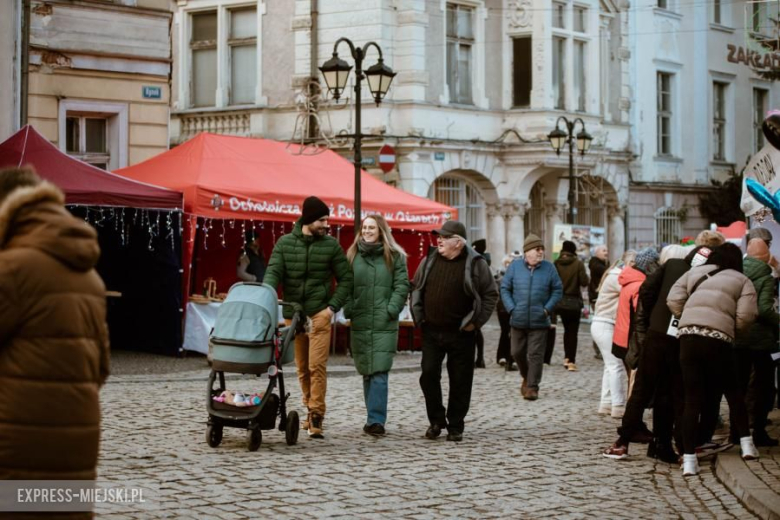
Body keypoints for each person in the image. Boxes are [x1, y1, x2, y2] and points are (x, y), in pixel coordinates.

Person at [0, 167, 110, 483]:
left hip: (15, 442)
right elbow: (101, 369)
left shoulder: (11, 269)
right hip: (77, 440)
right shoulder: (90, 277)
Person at [263, 195, 353, 439]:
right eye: (322, 220)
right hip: (294, 316)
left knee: (317, 366)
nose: (327, 224)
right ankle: (307, 407)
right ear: (310, 219)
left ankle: (316, 415)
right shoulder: (284, 244)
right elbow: (273, 273)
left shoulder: (331, 246)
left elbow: (347, 279)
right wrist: (266, 296)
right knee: (302, 368)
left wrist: (331, 308)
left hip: (319, 314)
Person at [667, 242, 759, 476]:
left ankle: (689, 461)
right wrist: (729, 328)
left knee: (692, 399)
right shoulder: (742, 280)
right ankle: (748, 446)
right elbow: (747, 316)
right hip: (718, 339)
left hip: (688, 338)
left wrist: (688, 317)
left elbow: (673, 299)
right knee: (733, 392)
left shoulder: (694, 273)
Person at [602, 245, 693, 463]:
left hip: (656, 338)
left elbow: (645, 303)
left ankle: (657, 444)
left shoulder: (661, 278)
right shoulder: (673, 276)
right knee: (658, 392)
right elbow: (643, 311)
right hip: (663, 339)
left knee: (662, 394)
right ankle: (631, 440)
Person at [411, 220, 498, 442]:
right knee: (428, 375)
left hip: (461, 332)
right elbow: (416, 287)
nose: (439, 240)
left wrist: (475, 323)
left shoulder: (476, 263)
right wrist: (419, 316)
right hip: (431, 330)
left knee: (460, 379)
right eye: (438, 236)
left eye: (444, 237)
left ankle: (456, 425)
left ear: (458, 243)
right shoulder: (429, 260)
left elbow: (490, 294)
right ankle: (436, 420)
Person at [344, 215, 410, 437]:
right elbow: (345, 284)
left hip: (384, 320)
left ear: (381, 230)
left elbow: (402, 286)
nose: (367, 231)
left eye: (372, 227)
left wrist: (391, 309)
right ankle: (372, 417)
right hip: (361, 319)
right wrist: (349, 307)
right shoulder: (353, 256)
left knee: (379, 370)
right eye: (365, 227)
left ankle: (376, 420)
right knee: (366, 371)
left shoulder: (395, 256)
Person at [501, 233, 563, 401]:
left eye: (542, 249)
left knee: (536, 354)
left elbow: (557, 290)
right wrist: (512, 308)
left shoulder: (549, 268)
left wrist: (547, 309)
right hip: (518, 318)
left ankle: (532, 387)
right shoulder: (514, 267)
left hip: (539, 320)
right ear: (527, 252)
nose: (540, 252)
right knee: (516, 352)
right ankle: (527, 376)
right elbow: (505, 288)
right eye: (537, 249)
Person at [734, 239, 779, 447]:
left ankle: (736, 432)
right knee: (763, 387)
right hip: (760, 341)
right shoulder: (765, 276)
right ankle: (758, 431)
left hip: (739, 337)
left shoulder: (736, 272)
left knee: (739, 386)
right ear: (766, 255)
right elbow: (764, 309)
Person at [591, 250, 635, 419]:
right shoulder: (619, 277)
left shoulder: (614, 273)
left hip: (602, 324)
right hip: (605, 324)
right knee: (615, 366)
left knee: (609, 366)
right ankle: (618, 405)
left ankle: (606, 403)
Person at [554, 240, 590, 371]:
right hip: (574, 302)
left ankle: (566, 358)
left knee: (565, 330)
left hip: (560, 301)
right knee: (572, 332)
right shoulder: (578, 263)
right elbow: (584, 282)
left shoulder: (556, 263)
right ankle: (570, 359)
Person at [471, 238, 491, 368]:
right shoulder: (485, 260)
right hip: (479, 299)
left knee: (474, 332)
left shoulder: (478, 261)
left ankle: (478, 358)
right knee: (477, 332)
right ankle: (480, 358)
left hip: (475, 299)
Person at [496, 255, 516, 371]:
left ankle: (505, 357)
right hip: (504, 308)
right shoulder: (501, 276)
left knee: (509, 332)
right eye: (507, 263)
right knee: (506, 332)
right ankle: (504, 357)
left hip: (507, 307)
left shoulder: (512, 276)